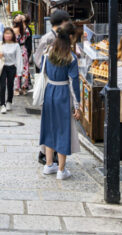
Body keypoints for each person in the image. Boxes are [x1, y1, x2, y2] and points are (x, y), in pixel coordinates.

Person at [38, 22, 81, 180]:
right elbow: (74, 82)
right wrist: (77, 106)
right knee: (63, 129)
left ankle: (49, 165)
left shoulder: (49, 51)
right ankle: (61, 170)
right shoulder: (71, 57)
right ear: (70, 38)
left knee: (49, 127)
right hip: (63, 92)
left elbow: (43, 69)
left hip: (50, 90)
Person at [0, 27, 21, 113]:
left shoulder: (16, 45)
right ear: (3, 35)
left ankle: (9, 101)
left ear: (13, 35)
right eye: (6, 33)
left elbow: (19, 58)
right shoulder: (0, 44)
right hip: (2, 66)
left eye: (9, 33)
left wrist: (19, 70)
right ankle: (2, 104)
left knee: (10, 85)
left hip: (12, 67)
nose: (8, 35)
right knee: (2, 86)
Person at [14, 14, 33, 95]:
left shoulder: (13, 29)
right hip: (23, 49)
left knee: (17, 69)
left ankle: (16, 88)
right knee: (24, 69)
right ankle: (23, 87)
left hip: (16, 50)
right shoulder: (26, 29)